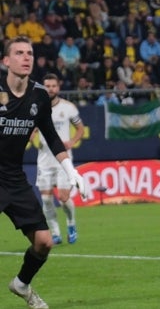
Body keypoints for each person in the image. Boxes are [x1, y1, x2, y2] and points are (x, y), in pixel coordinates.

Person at [1, 36, 90, 309]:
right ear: (6, 61)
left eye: (29, 52)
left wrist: (71, 170)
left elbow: (51, 137)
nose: (26, 57)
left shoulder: (39, 94)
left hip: (13, 178)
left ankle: (22, 284)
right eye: (19, 53)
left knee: (44, 242)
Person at [35, 74, 86, 246]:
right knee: (47, 199)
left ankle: (71, 225)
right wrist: (32, 139)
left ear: (58, 87)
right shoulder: (36, 107)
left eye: (53, 86)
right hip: (44, 160)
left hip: (63, 159)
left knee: (64, 197)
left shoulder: (69, 108)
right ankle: (55, 233)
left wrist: (72, 141)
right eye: (47, 86)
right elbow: (30, 129)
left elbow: (80, 128)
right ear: (43, 87)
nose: (50, 89)